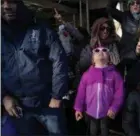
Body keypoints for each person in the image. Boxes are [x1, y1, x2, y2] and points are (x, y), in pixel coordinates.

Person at [1, 0, 68, 135]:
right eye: (1, 2)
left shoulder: (41, 29)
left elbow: (59, 60)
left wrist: (57, 96)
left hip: (48, 103)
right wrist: (3, 97)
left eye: (12, 2)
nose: (7, 6)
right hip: (18, 106)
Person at [74, 45, 124, 136]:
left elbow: (119, 93)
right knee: (93, 130)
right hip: (90, 110)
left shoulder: (114, 74)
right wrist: (78, 108)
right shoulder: (87, 75)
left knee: (105, 130)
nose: (101, 52)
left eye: (104, 50)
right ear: (93, 59)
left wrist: (114, 107)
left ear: (109, 57)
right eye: (97, 50)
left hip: (107, 111)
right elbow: (81, 93)